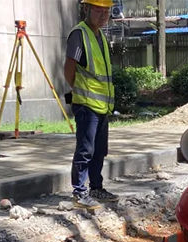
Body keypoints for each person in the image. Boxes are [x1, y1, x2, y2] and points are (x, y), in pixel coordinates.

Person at [64, 0, 119, 211]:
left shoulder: (100, 36)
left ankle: (96, 188)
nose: (104, 15)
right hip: (87, 105)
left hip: (101, 106)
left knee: (99, 150)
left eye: (107, 11)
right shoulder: (80, 34)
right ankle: (79, 192)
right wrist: (78, 89)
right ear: (87, 9)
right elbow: (69, 67)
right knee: (85, 150)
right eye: (99, 10)